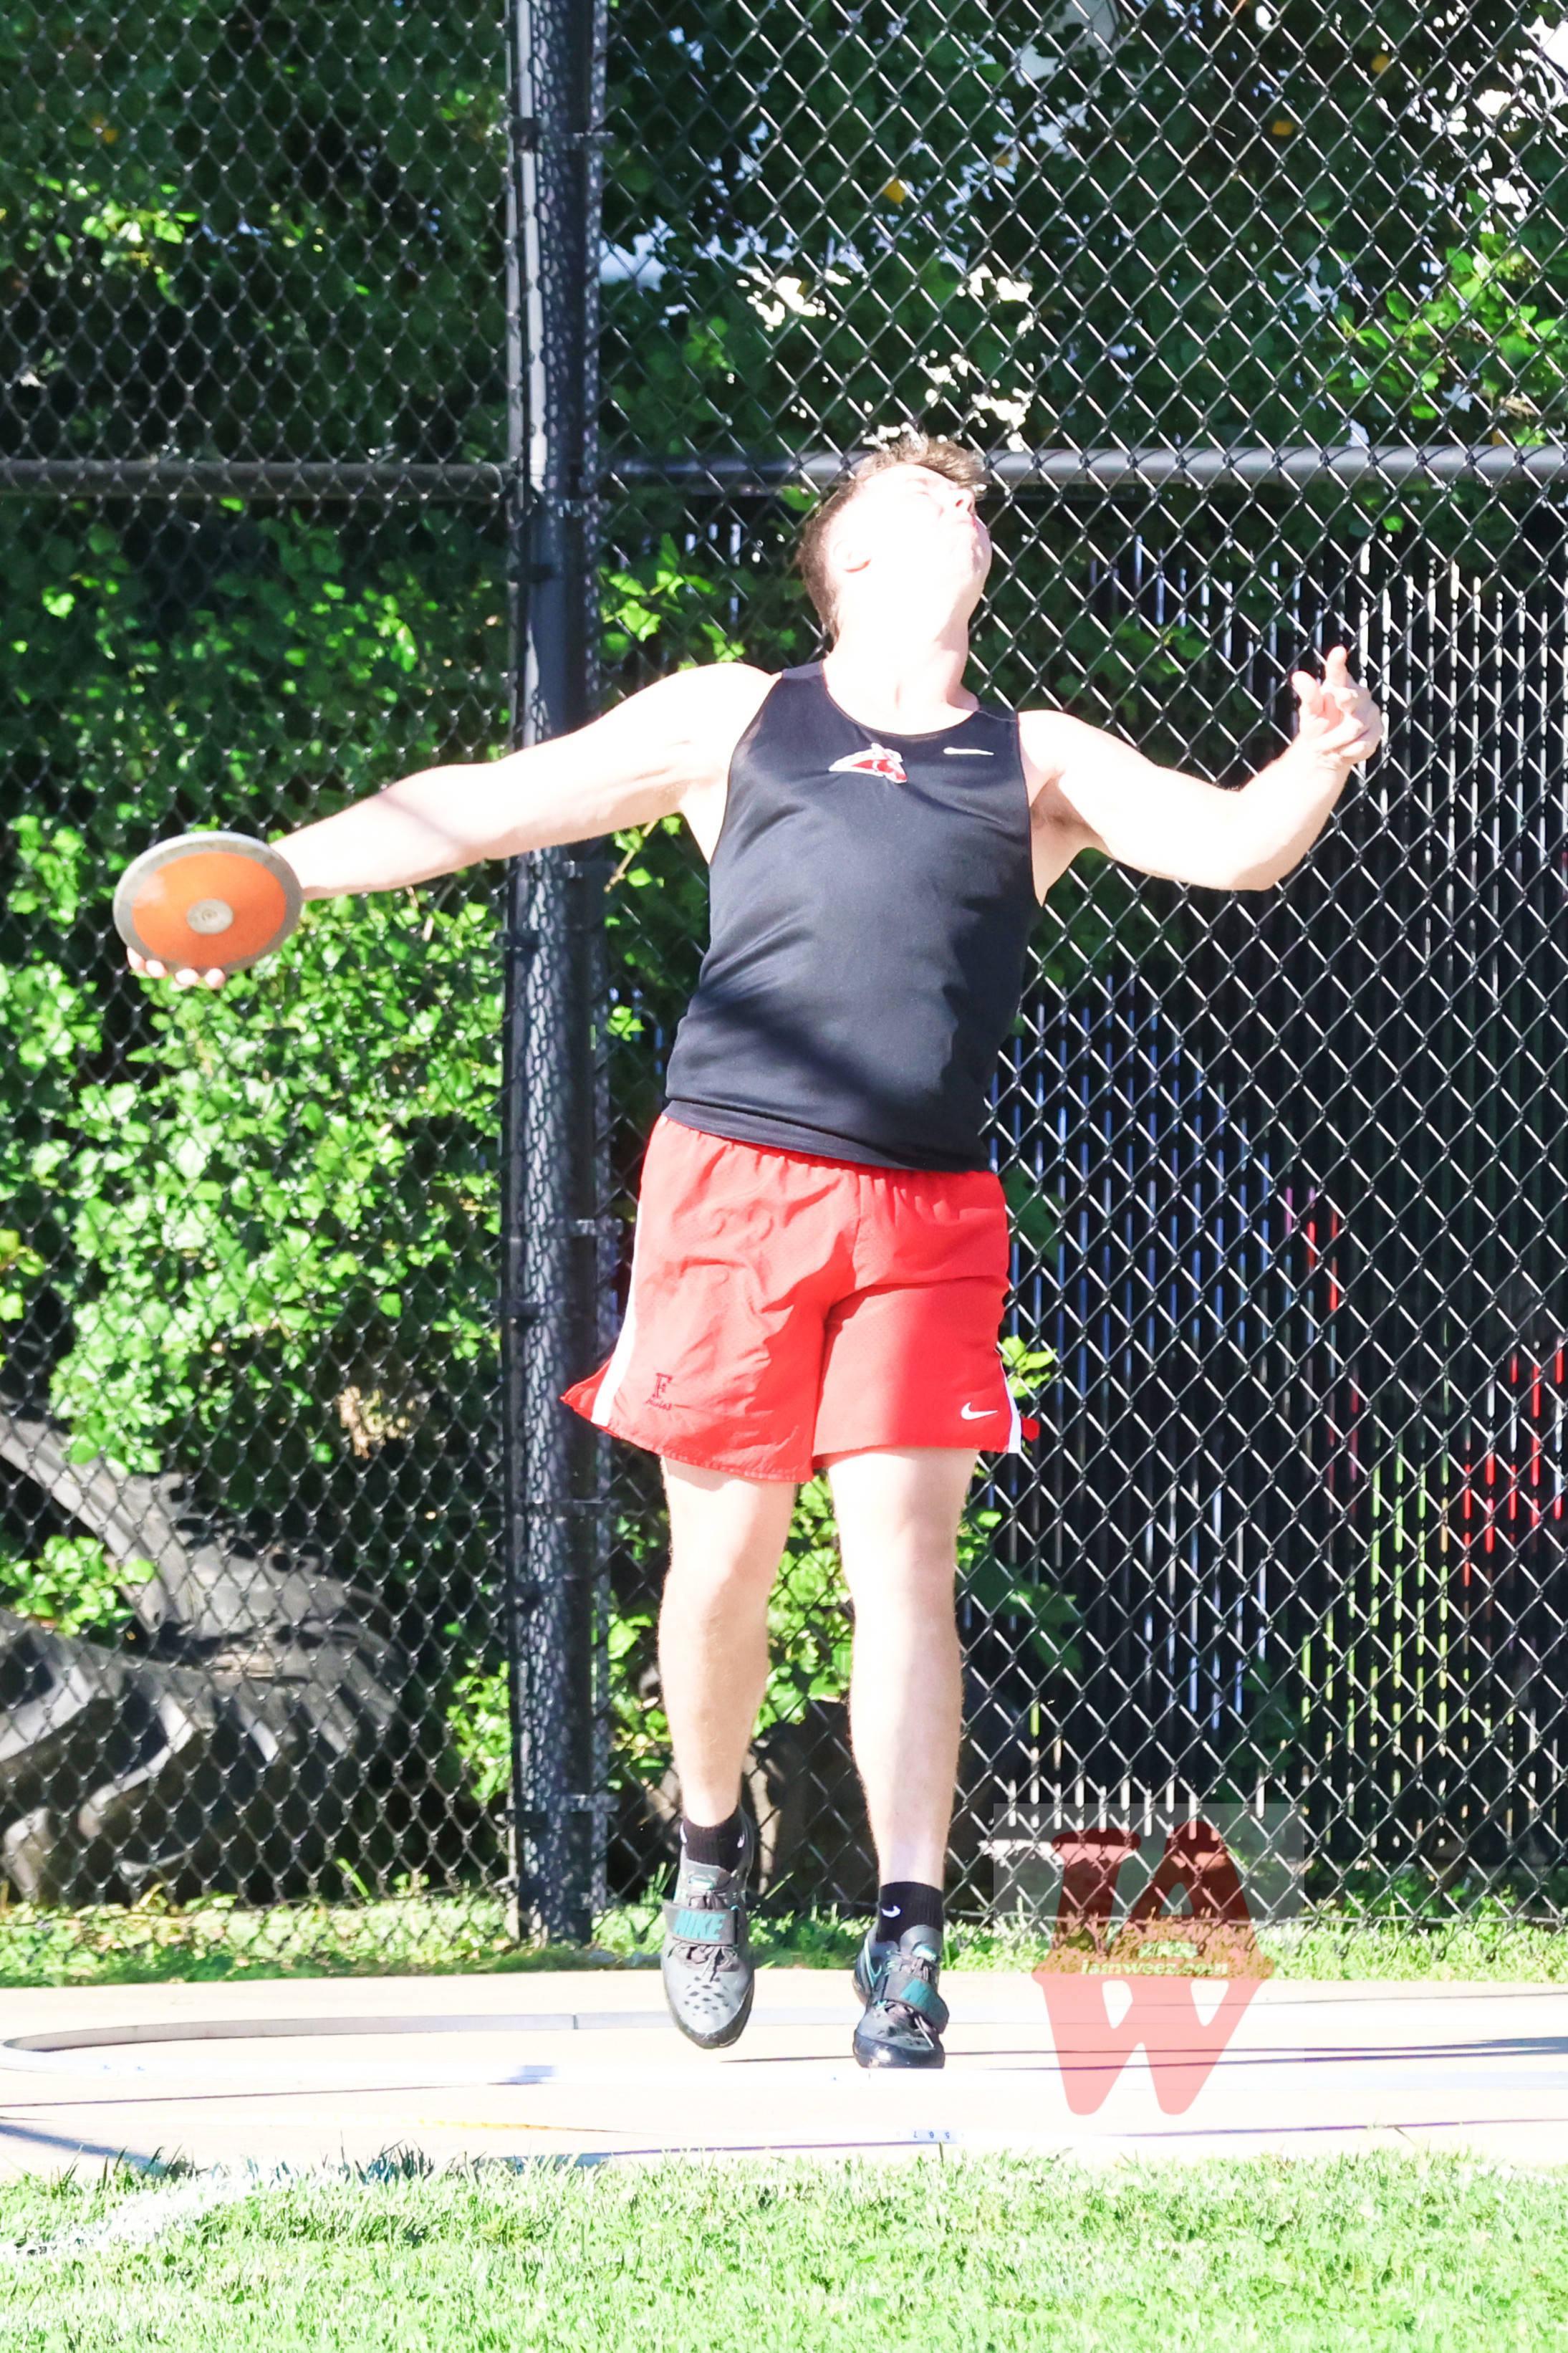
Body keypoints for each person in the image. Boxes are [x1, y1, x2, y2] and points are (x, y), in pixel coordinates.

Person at [130, 434, 1383, 2069]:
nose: (959, 506)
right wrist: (276, 871)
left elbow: (1230, 845)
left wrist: (1319, 757)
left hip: (926, 1214)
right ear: (848, 561)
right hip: (730, 1191)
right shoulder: (737, 716)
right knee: (720, 1568)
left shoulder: (1035, 756)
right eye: (918, 496)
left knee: (904, 1569)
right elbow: (481, 808)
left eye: (968, 501)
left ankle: (909, 1937)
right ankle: (712, 1847)